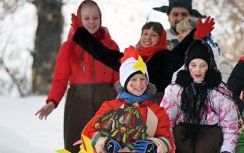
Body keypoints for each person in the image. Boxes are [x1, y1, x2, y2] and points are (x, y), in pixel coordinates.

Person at [35, 0, 119, 153]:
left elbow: (118, 74)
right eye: (87, 18)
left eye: (95, 18)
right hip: (78, 103)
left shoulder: (111, 45)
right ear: (80, 20)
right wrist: (52, 101)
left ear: (101, 19)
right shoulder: (68, 47)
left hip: (106, 103)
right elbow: (61, 78)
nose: (91, 22)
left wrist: (120, 89)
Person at [72, 18, 214, 104]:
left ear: (161, 39)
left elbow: (181, 51)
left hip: (156, 104)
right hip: (131, 105)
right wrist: (80, 33)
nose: (148, 37)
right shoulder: (131, 59)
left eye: (153, 35)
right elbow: (103, 53)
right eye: (145, 33)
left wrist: (195, 35)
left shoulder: (164, 56)